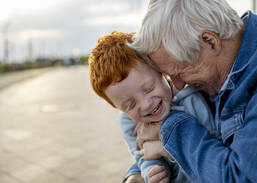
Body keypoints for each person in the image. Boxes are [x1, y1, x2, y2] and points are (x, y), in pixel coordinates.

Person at [127, 0, 257, 182]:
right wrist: (139, 171)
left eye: (179, 72)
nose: (178, 85)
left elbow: (241, 178)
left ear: (210, 41)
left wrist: (169, 132)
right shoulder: (218, 71)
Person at [88, 31, 214, 183]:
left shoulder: (193, 96)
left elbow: (212, 145)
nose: (146, 104)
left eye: (148, 88)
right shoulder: (129, 122)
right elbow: (143, 154)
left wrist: (165, 146)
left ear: (162, 72)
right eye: (130, 105)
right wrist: (151, 171)